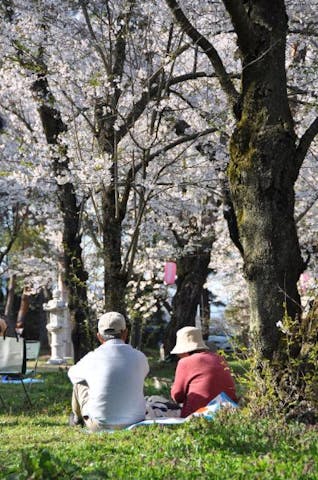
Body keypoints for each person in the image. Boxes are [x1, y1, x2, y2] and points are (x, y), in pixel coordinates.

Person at [68, 312, 149, 431]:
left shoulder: (92, 358)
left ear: (99, 337)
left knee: (79, 383)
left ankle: (78, 418)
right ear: (125, 333)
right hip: (137, 421)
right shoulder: (140, 357)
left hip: (100, 425)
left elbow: (72, 374)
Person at [170, 326, 237, 417]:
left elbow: (177, 396)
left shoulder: (185, 362)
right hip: (229, 411)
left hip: (199, 415)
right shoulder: (220, 358)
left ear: (184, 351)